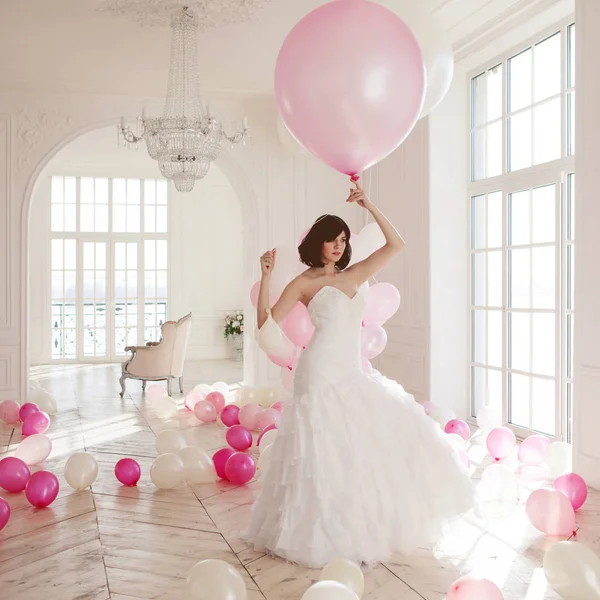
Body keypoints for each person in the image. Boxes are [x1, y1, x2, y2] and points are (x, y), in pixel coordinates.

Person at [243, 181, 474, 568]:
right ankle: (313, 531)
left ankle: (356, 523)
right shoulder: (304, 283)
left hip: (351, 370)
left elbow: (397, 244)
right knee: (321, 452)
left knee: (365, 443)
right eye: (331, 239)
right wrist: (266, 276)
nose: (338, 245)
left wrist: (370, 204)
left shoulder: (358, 272)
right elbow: (267, 325)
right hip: (317, 372)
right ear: (317, 243)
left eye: (343, 239)